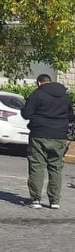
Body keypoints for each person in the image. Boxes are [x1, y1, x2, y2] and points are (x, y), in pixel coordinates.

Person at [20, 74, 74, 209]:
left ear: (39, 83)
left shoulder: (37, 94)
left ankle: (35, 199)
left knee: (37, 166)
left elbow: (26, 114)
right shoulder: (64, 96)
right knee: (55, 168)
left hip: (39, 134)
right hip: (59, 136)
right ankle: (55, 201)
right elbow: (71, 116)